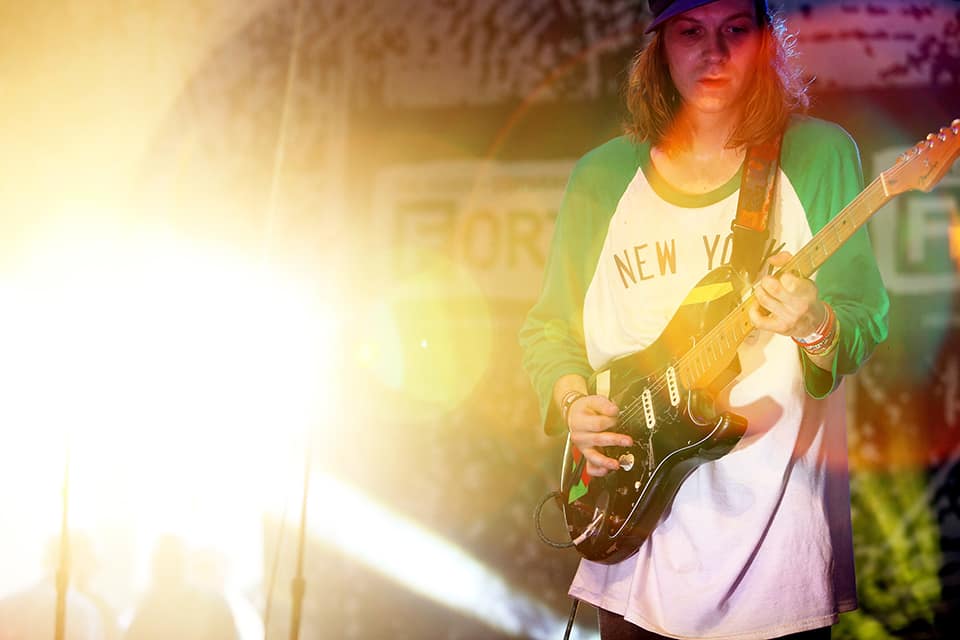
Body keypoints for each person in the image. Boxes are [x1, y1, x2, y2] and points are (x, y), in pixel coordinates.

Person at [519, 0, 889, 638]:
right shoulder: (601, 177)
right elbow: (550, 330)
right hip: (631, 548)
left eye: (734, 30)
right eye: (690, 31)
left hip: (776, 560)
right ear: (659, 46)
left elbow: (863, 318)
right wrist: (574, 401)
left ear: (765, 40)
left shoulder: (819, 154)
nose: (713, 52)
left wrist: (815, 324)